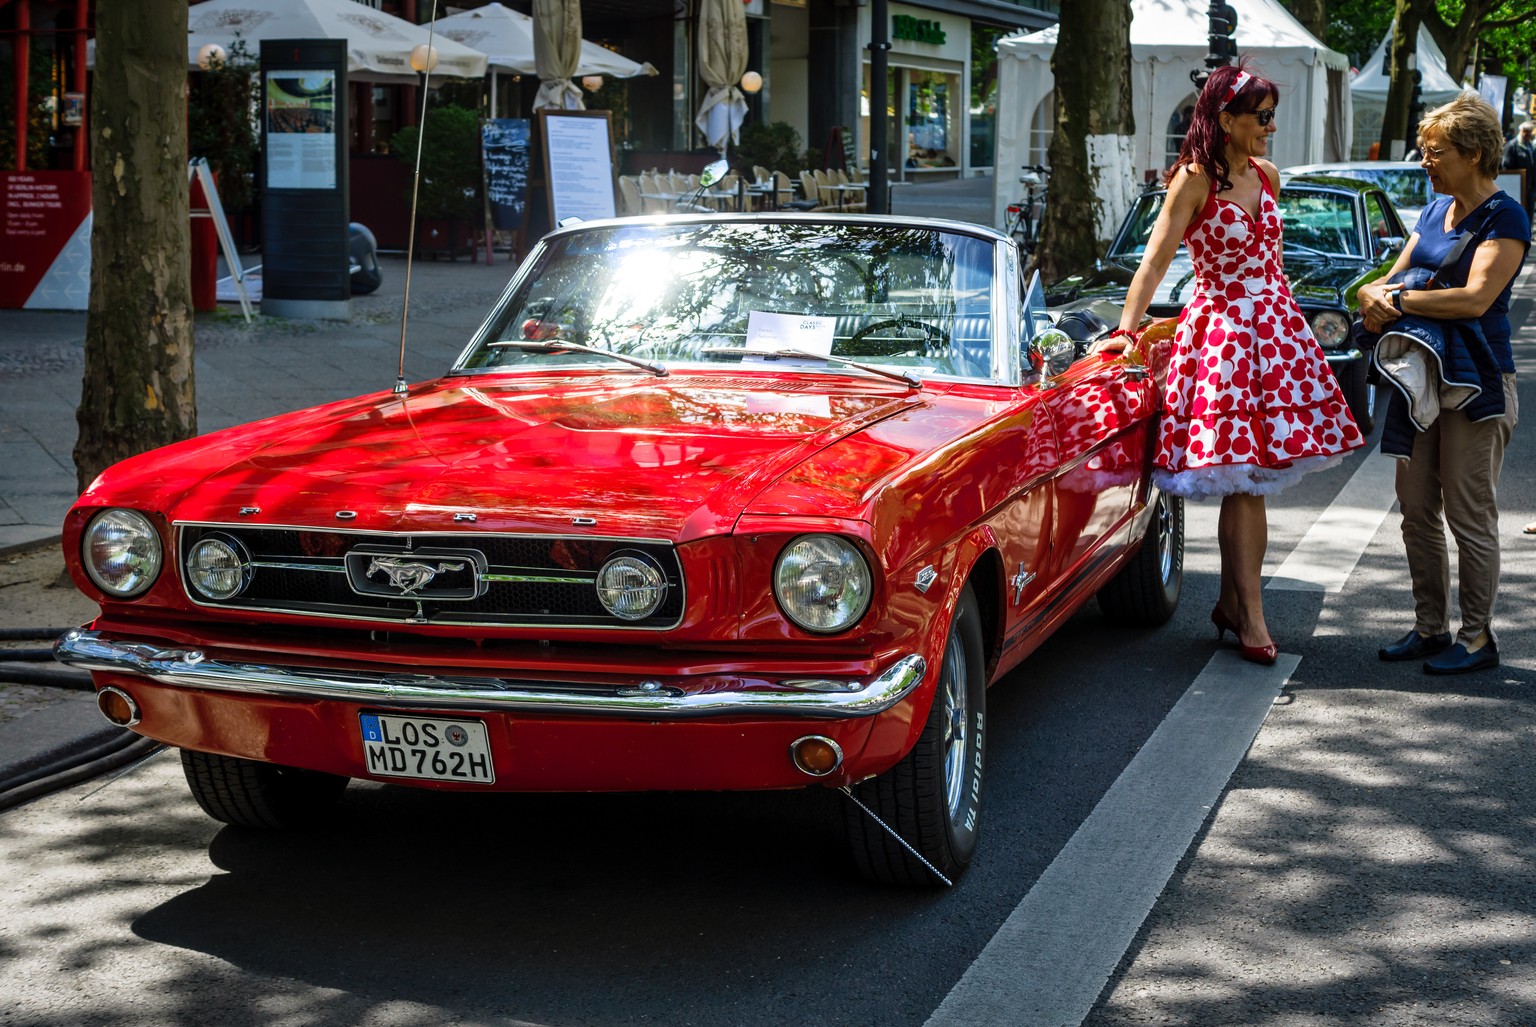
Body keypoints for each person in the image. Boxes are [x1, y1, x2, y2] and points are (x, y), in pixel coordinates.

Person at [1093, 62, 1365, 665]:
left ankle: (1233, 604)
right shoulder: (1193, 180)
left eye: (1272, 116)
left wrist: (1283, 321)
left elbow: (1273, 260)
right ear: (1225, 119)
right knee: (1245, 482)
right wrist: (1124, 332)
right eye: (1262, 117)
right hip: (1223, 340)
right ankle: (1251, 616)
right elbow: (1155, 263)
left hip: (1276, 335)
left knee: (1256, 481)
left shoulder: (1268, 175)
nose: (1271, 127)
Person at [1357, 93, 1528, 674]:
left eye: (1436, 152)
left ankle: (1477, 638)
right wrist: (1368, 294)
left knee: (1468, 512)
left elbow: (1477, 298)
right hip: (1425, 379)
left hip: (1478, 379)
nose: (1424, 162)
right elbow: (1392, 277)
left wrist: (1396, 300)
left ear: (1474, 153)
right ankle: (1430, 628)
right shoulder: (1434, 211)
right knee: (1415, 507)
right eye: (1424, 151)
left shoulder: (1505, 216)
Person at [1500, 120, 1536, 214]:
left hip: (1530, 187)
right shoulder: (1512, 146)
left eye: (1530, 133)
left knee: (1529, 213)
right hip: (1517, 187)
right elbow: (1505, 166)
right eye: (1527, 133)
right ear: (1522, 131)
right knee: (1517, 213)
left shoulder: (1531, 145)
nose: (1529, 136)